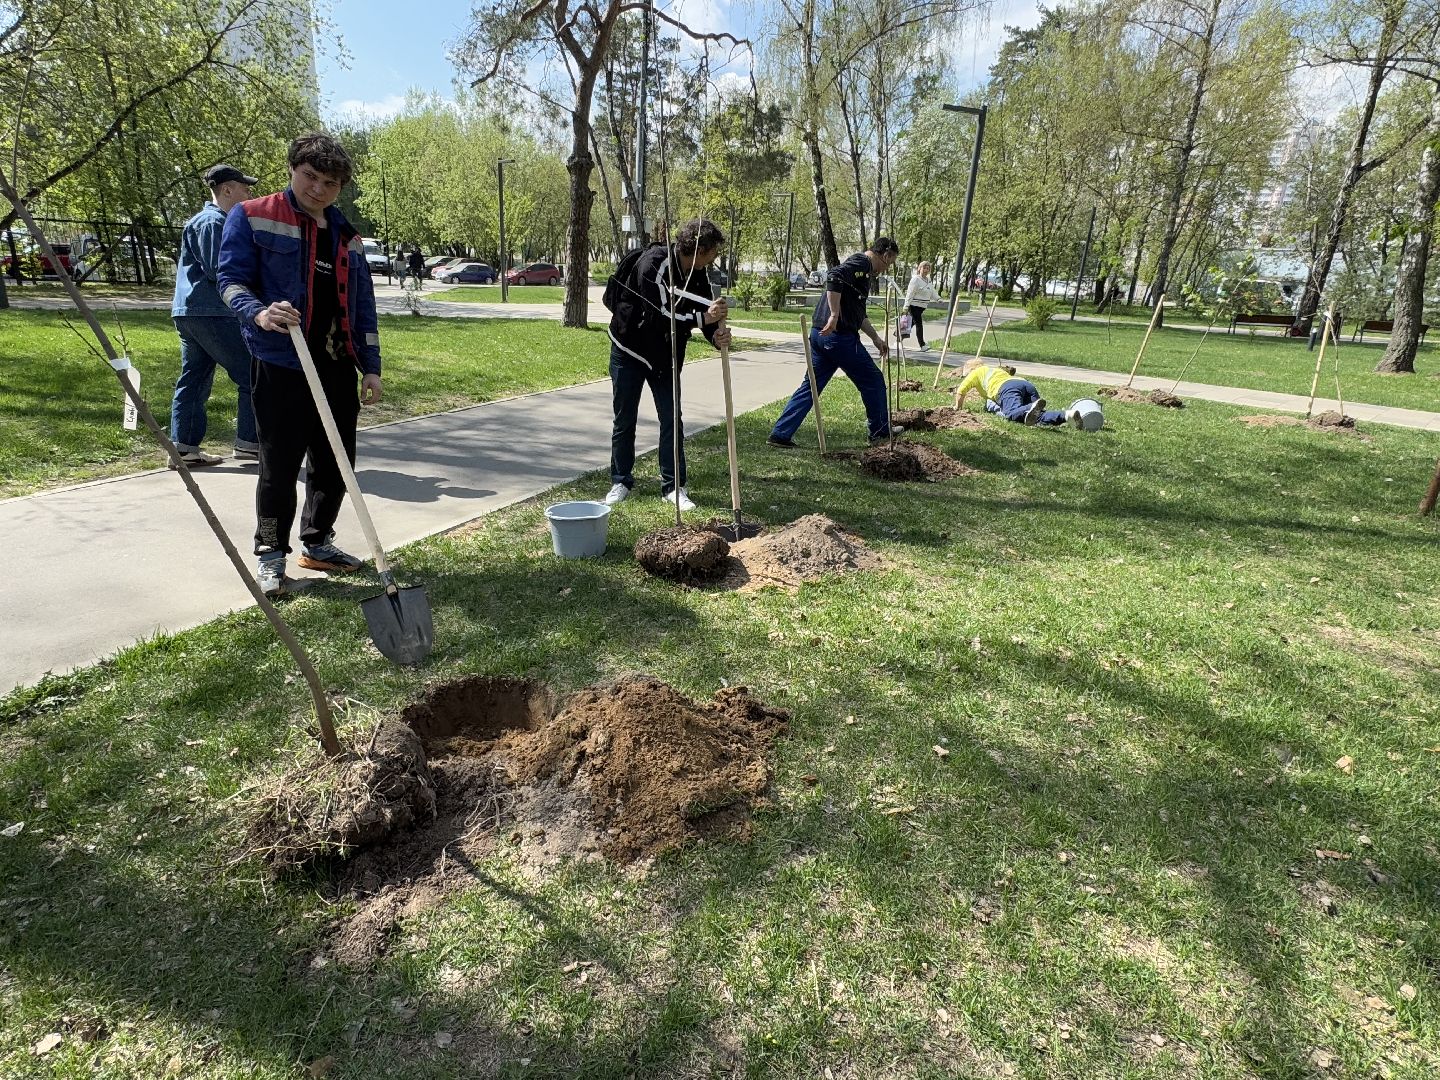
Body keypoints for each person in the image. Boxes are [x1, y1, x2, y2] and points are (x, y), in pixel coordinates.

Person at [217, 132, 383, 597]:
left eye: (330, 183)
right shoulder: (252, 216)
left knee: (336, 464)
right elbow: (229, 281)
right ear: (293, 169)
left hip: (334, 365)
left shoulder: (347, 237)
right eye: (310, 177)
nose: (318, 189)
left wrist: (370, 366)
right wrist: (260, 312)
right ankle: (271, 555)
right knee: (279, 467)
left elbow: (363, 307)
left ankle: (318, 543)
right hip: (281, 364)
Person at [602, 219, 730, 512]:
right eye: (712, 252)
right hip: (629, 349)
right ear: (700, 250)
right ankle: (620, 481)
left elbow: (702, 311)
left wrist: (716, 334)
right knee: (625, 418)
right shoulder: (653, 264)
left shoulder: (697, 271)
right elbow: (659, 316)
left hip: (665, 355)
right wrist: (704, 319)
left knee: (672, 419)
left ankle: (674, 487)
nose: (714, 258)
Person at [768, 237, 902, 448]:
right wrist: (833, 314)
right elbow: (834, 275)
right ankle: (879, 431)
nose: (886, 269)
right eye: (890, 263)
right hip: (838, 337)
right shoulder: (862, 263)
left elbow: (858, 314)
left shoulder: (862, 273)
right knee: (873, 380)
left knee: (811, 385)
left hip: (820, 336)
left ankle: (780, 434)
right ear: (886, 255)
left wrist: (875, 338)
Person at [168, 164, 260, 467]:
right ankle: (249, 443)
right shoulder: (213, 221)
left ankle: (184, 448)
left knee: (194, 377)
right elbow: (219, 270)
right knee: (251, 372)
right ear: (227, 189)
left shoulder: (207, 220)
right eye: (244, 187)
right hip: (211, 311)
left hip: (192, 311)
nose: (248, 193)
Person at [954, 362, 1065, 426]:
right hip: (1026, 384)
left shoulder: (975, 373)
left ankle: (1032, 406)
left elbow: (961, 391)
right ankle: (1066, 416)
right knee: (1035, 417)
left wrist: (957, 408)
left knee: (1011, 413)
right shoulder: (994, 370)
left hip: (1007, 388)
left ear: (971, 369)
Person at [903, 261, 941, 352]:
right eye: (924, 268)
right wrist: (906, 306)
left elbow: (932, 292)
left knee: (909, 324)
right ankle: (922, 345)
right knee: (919, 324)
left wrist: (938, 299)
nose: (926, 270)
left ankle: (898, 338)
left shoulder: (928, 280)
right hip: (914, 306)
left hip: (922, 307)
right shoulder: (916, 279)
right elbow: (910, 293)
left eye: (928, 268)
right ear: (919, 268)